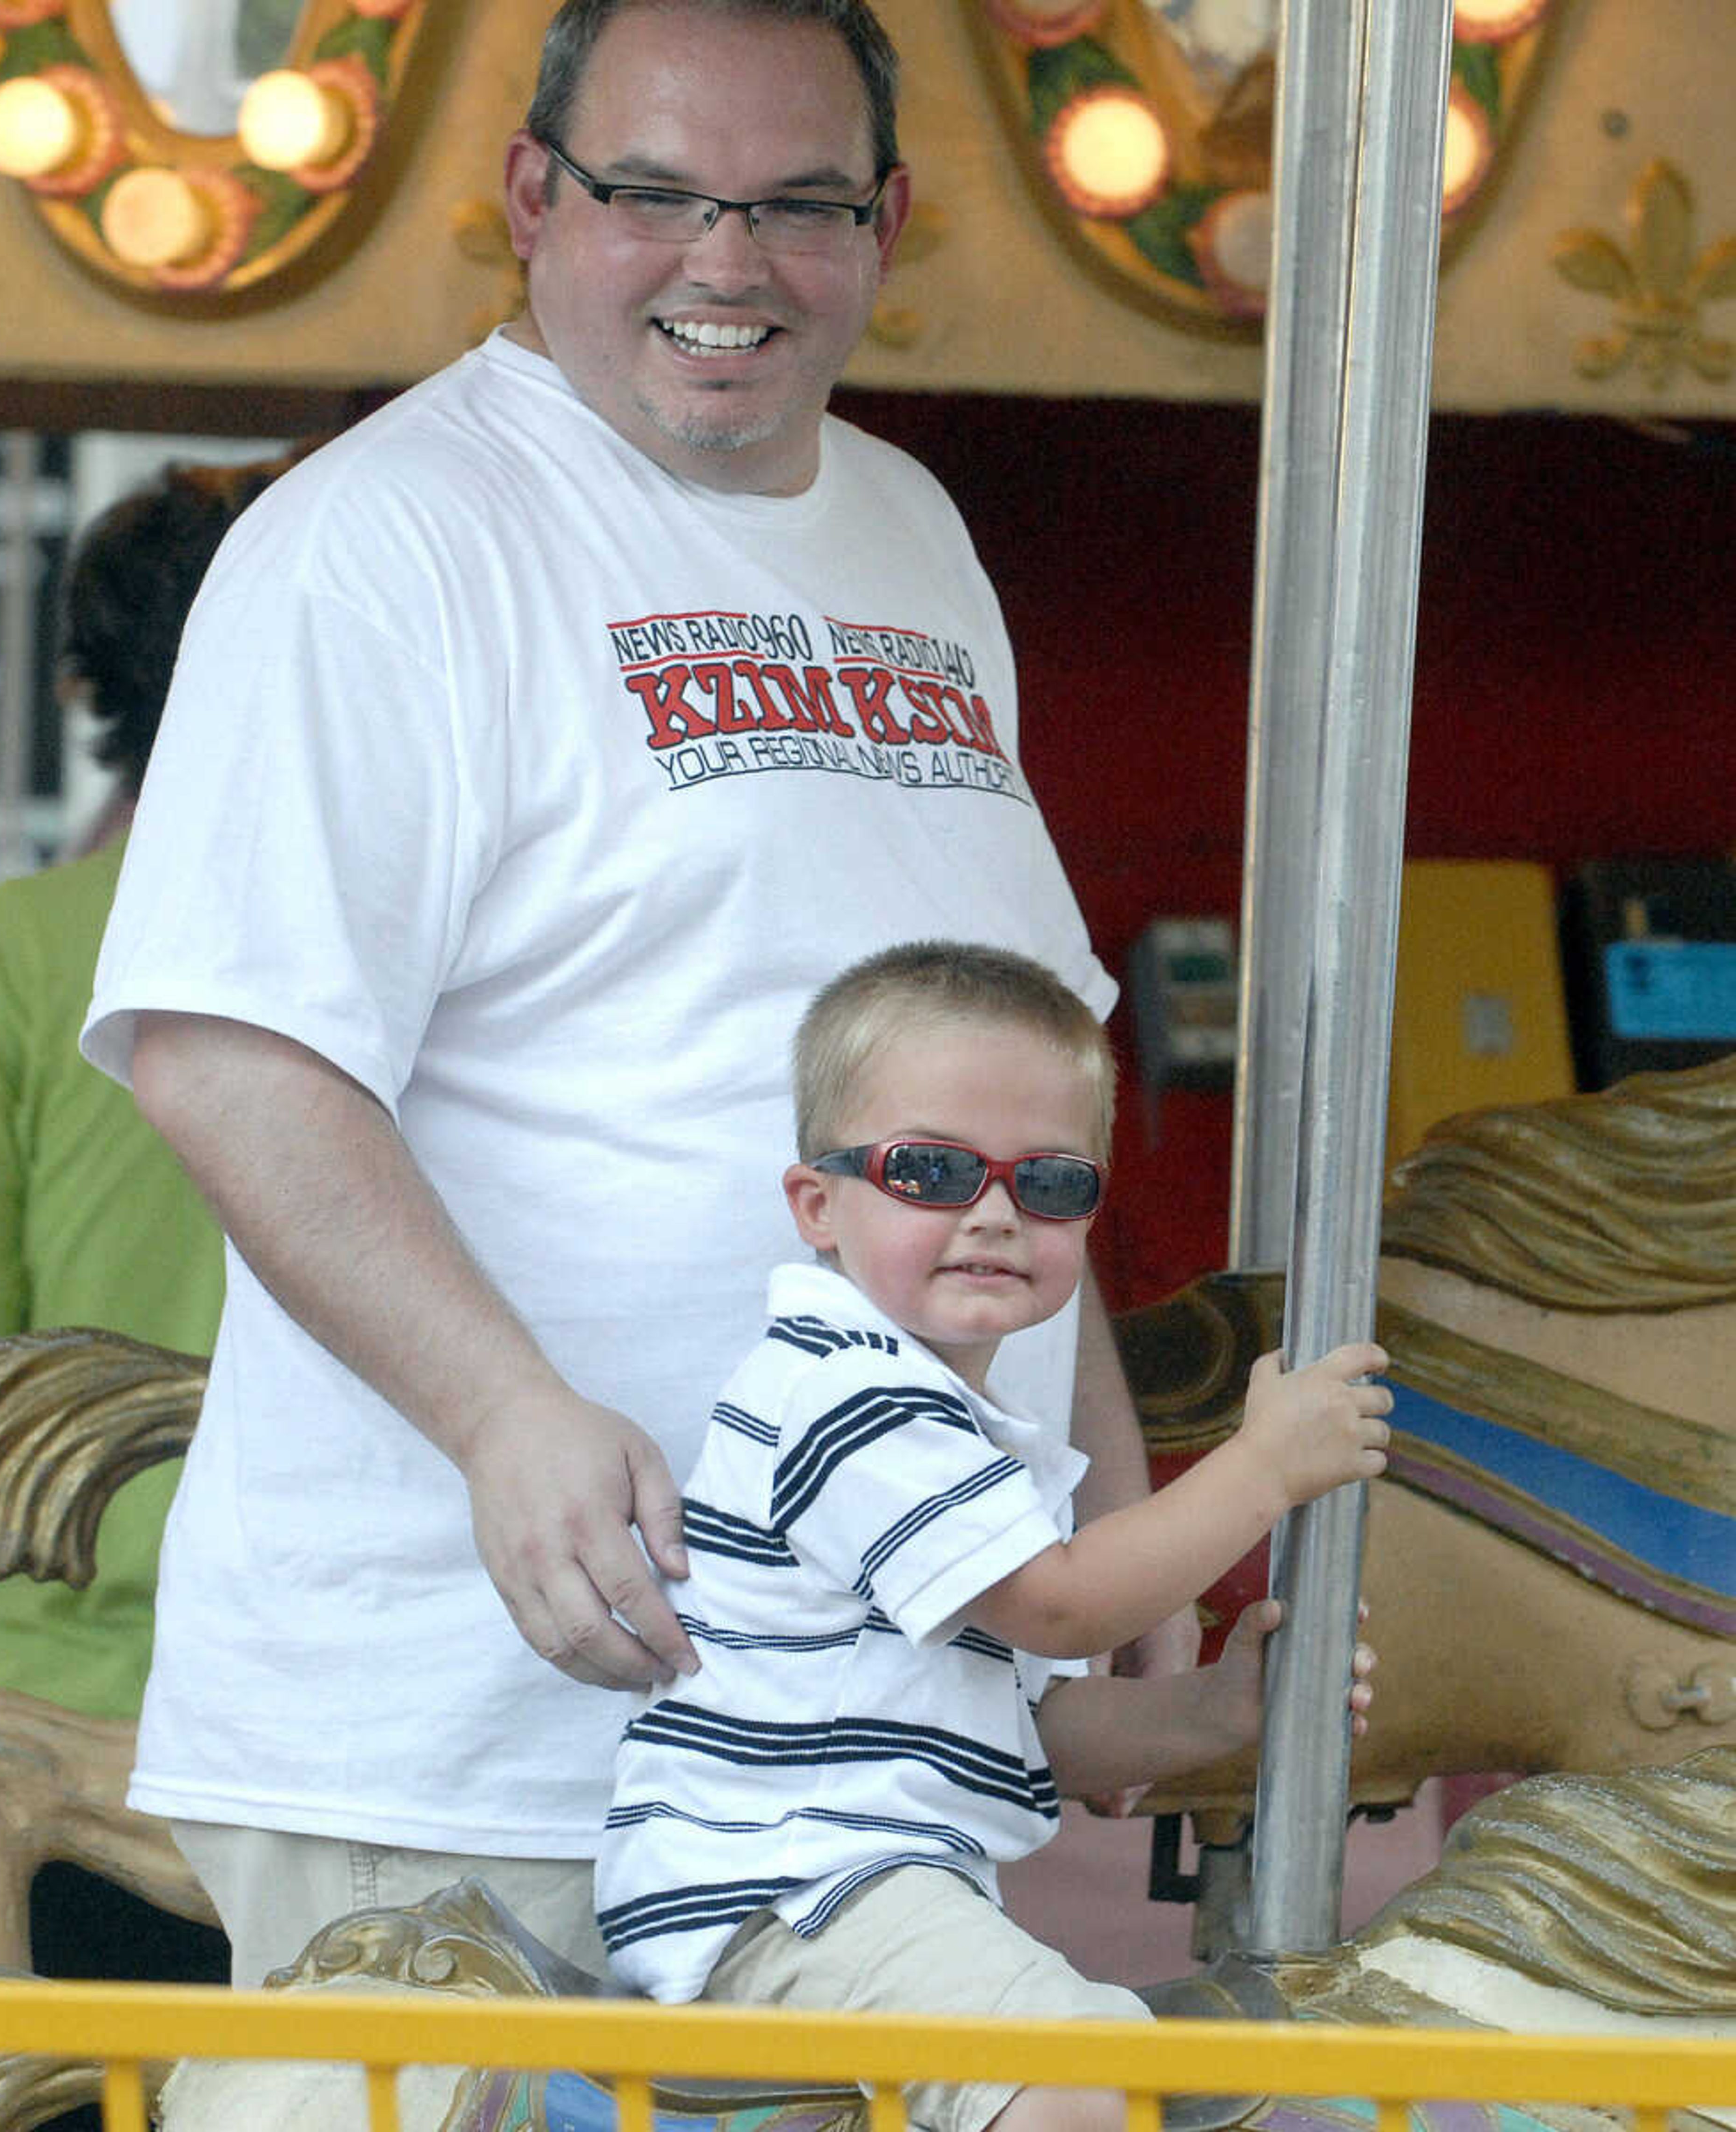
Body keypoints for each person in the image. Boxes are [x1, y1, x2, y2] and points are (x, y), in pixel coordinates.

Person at [81, 0, 1197, 1991]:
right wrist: (505, 1411)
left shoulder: (914, 537)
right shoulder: (381, 541)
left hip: (864, 1744)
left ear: (890, 221)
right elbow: (226, 1052)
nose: (729, 263)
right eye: (657, 195)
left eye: (798, 205)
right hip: (474, 1713)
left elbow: (1013, 1106)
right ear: (533, 195)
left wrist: (1101, 1507)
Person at [596, 942, 1390, 2132]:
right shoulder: (849, 1395)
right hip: (792, 1881)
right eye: (931, 1170)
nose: (996, 1214)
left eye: (1053, 1183)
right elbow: (1060, 1605)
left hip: (862, 1878)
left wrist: (1223, 1710)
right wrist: (1262, 1468)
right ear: (819, 1203)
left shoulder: (955, 1427)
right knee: (1079, 2083)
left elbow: (1028, 1725)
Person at [0, 461, 291, 2063]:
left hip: (45, 1726)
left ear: (89, 686)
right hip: (338, 1705)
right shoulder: (426, 950)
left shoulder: (13, 950)